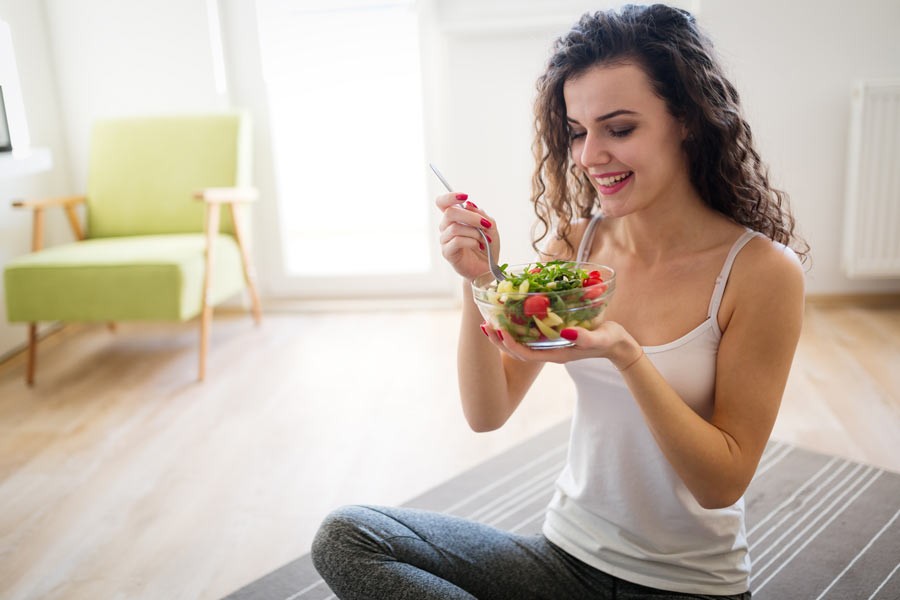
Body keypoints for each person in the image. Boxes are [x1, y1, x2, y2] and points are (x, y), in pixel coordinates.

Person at [311, 4, 807, 599]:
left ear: (687, 121)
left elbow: (721, 483)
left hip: (685, 587)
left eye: (619, 129)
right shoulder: (575, 242)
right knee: (347, 537)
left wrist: (627, 355)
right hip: (565, 559)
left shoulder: (760, 272)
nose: (589, 155)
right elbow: (486, 411)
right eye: (577, 131)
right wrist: (481, 282)